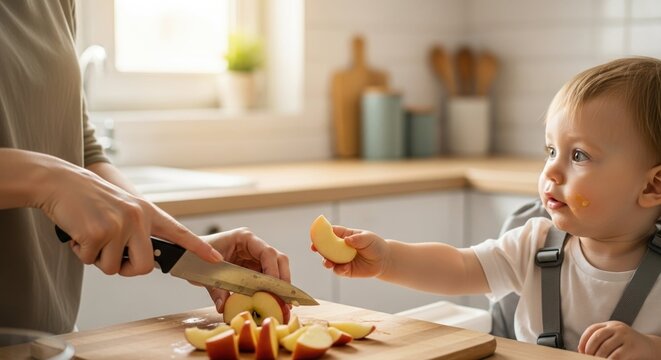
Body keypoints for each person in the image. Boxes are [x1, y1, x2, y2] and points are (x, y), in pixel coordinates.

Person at [313, 57, 661, 359]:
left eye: (579, 156)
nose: (551, 171)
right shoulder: (535, 243)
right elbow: (459, 266)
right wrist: (388, 259)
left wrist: (649, 348)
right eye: (551, 151)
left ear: (651, 186)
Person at [0, 1, 289, 335]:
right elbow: (61, 174)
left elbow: (82, 148)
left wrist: (188, 249)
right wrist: (49, 181)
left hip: (50, 339)